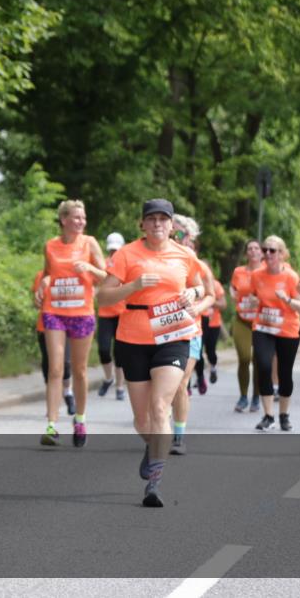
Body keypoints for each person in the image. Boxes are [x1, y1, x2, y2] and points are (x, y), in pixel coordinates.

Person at [98, 199, 212, 507]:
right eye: (152, 219)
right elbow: (103, 297)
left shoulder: (185, 255)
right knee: (141, 419)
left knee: (161, 407)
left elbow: (205, 290)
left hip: (174, 335)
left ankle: (154, 483)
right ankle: (154, 447)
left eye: (164, 219)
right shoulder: (126, 254)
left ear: (172, 225)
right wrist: (132, 286)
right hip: (133, 337)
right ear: (143, 224)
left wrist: (194, 294)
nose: (158, 224)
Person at [38, 200, 107, 448]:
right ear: (64, 220)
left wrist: (89, 267)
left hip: (81, 312)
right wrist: (45, 283)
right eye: (76, 218)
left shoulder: (89, 243)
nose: (81, 222)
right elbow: (47, 273)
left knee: (79, 370)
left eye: (83, 218)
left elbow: (108, 275)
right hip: (54, 311)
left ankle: (80, 419)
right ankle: (52, 425)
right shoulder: (50, 246)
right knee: (56, 368)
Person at [248, 236, 300, 432]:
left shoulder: (291, 277)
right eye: (265, 250)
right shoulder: (256, 275)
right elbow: (253, 296)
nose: (267, 254)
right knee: (263, 366)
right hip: (263, 327)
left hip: (287, 329)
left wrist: (287, 300)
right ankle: (268, 415)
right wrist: (254, 301)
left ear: (282, 254)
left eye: (272, 250)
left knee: (284, 373)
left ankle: (284, 415)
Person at [169, 214, 215, 455]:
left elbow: (212, 295)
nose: (173, 238)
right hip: (160, 331)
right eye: (170, 233)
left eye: (178, 234)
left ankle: (178, 435)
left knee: (180, 382)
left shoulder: (197, 264)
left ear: (190, 237)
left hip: (190, 330)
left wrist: (197, 306)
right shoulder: (157, 258)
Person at [230, 240, 264, 412]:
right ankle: (243, 396)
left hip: (261, 321)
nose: (252, 251)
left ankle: (256, 397)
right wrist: (234, 295)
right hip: (241, 319)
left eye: (256, 248)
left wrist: (259, 300)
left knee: (258, 360)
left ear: (262, 253)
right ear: (246, 253)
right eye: (249, 248)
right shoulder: (239, 271)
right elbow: (232, 288)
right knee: (244, 358)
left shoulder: (267, 271)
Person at [33, 270, 74, 411]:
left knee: (66, 362)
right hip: (44, 326)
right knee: (47, 363)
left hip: (66, 325)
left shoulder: (70, 276)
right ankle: (53, 399)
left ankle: (68, 392)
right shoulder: (41, 276)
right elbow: (36, 302)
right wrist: (39, 298)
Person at [97, 232, 127, 401]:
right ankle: (109, 378)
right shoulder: (104, 264)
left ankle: (120, 386)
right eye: (112, 250)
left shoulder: (127, 264)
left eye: (117, 249)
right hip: (105, 314)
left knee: (120, 353)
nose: (114, 252)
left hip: (122, 314)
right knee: (103, 350)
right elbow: (99, 280)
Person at [198, 274, 226, 386]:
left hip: (214, 324)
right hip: (199, 324)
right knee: (198, 351)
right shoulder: (195, 285)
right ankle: (200, 376)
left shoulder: (216, 285)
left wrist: (210, 301)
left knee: (211, 350)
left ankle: (213, 367)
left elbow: (223, 305)